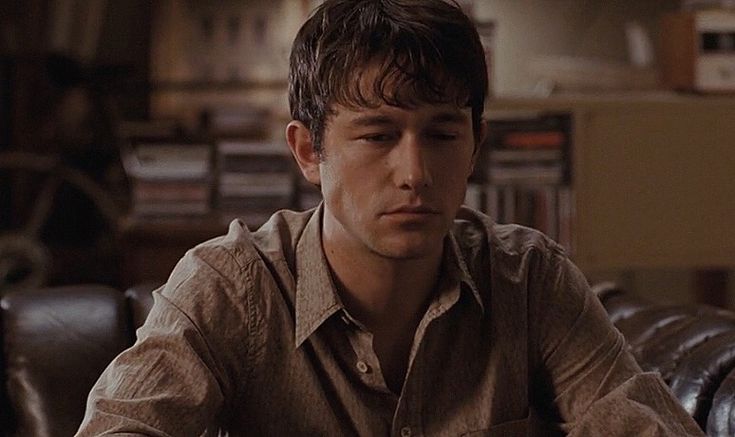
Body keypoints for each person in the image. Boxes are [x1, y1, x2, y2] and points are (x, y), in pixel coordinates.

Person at [78, 1, 703, 435]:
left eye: (441, 134)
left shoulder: (529, 280)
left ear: (476, 145)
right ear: (308, 152)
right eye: (377, 136)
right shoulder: (231, 287)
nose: (415, 173)